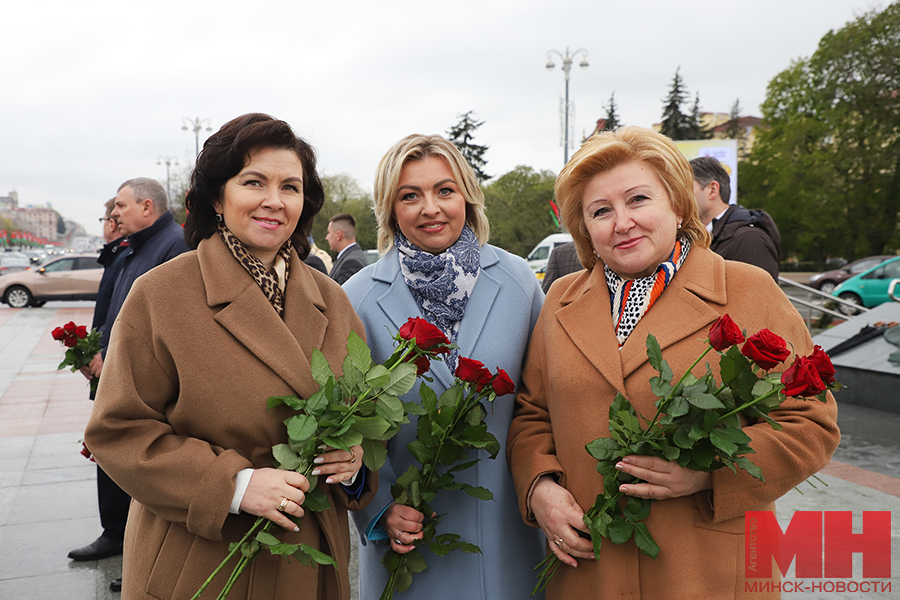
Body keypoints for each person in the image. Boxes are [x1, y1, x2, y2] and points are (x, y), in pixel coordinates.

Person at [507, 127, 840, 599]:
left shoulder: (747, 289)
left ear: (678, 205)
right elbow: (532, 413)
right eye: (601, 211)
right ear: (585, 229)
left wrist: (711, 473)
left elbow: (812, 422)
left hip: (709, 573)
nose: (622, 222)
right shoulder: (560, 298)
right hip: (589, 571)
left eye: (638, 199)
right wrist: (540, 487)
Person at [84, 113, 374, 600]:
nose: (274, 201)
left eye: (290, 187)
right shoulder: (162, 293)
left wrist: (354, 464)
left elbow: (360, 419)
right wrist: (235, 485)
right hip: (205, 560)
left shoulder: (334, 299)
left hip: (310, 563)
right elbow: (117, 431)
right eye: (254, 182)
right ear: (218, 197)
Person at [344, 134, 546, 600]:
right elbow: (350, 426)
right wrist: (377, 509)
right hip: (410, 541)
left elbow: (542, 405)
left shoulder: (519, 283)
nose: (430, 207)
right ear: (390, 209)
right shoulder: (356, 297)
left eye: (445, 190)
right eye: (410, 195)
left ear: (467, 198)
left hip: (508, 536)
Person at [69, 179, 189, 584]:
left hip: (147, 380)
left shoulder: (174, 244)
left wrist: (117, 358)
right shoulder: (133, 247)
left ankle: (144, 558)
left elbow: (172, 325)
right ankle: (116, 535)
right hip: (115, 370)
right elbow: (115, 308)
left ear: (147, 206)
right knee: (112, 455)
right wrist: (94, 351)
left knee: (146, 465)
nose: (113, 214)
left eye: (120, 205)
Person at [690, 156, 781, 280]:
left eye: (686, 188)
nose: (679, 196)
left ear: (712, 190)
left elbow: (760, 297)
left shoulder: (750, 239)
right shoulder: (700, 237)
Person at [325, 213, 367, 284]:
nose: (327, 237)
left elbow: (345, 294)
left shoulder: (351, 262)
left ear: (338, 235)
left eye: (329, 232)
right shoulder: (352, 256)